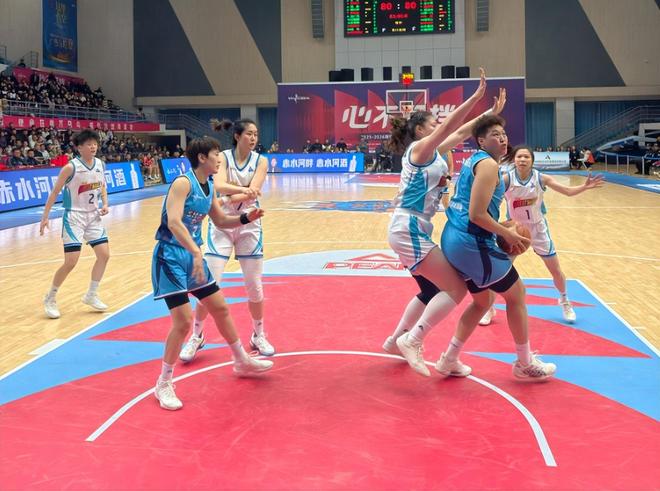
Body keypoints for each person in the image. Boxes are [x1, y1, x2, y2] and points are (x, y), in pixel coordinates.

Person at [384, 68, 497, 377]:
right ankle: (412, 340)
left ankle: (395, 341)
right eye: (433, 124)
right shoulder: (420, 150)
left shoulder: (434, 152)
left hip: (414, 227)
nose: (439, 127)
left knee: (430, 288)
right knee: (456, 289)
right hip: (408, 226)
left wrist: (488, 114)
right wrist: (475, 97)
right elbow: (451, 126)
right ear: (421, 130)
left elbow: (460, 133)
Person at [152, 136, 273, 410]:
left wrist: (246, 218)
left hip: (191, 255)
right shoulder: (183, 183)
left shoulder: (208, 187)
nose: (220, 158)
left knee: (220, 307)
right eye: (216, 154)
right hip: (170, 257)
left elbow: (220, 220)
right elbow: (173, 222)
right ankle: (163, 383)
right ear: (202, 157)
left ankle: (241, 360)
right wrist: (196, 252)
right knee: (183, 322)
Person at [439, 115, 557, 381]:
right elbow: (477, 215)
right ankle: (524, 363)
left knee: (483, 301)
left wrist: (502, 225)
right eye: (495, 134)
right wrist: (508, 234)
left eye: (503, 134)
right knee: (517, 295)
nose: (502, 138)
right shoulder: (489, 165)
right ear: (481, 141)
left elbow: (476, 211)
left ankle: (449, 358)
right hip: (470, 242)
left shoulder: (475, 160)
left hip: (454, 236)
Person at [180, 118, 273, 364]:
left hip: (250, 222)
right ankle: (197, 335)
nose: (253, 138)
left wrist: (235, 192)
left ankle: (258, 334)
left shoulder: (261, 161)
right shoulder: (222, 157)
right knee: (208, 285)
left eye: (256, 134)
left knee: (254, 286)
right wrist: (243, 190)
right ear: (237, 136)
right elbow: (219, 185)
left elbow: (252, 190)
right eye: (249, 134)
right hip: (221, 223)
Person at [478, 145, 604, 326]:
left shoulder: (541, 178)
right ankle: (489, 308)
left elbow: (567, 191)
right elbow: (489, 196)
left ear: (532, 161)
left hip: (537, 229)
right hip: (514, 231)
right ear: (514, 160)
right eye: (519, 157)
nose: (522, 160)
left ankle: (564, 300)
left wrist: (584, 187)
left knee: (555, 270)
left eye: (526, 157)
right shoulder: (506, 179)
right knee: (498, 272)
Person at [40, 130, 110, 319]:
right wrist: (45, 216)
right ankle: (50, 297)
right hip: (74, 217)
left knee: (104, 255)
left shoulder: (100, 164)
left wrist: (105, 203)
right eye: (88, 144)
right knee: (71, 262)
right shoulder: (70, 168)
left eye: (95, 143)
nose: (93, 147)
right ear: (79, 148)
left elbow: (102, 186)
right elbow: (55, 192)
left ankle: (91, 294)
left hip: (93, 216)